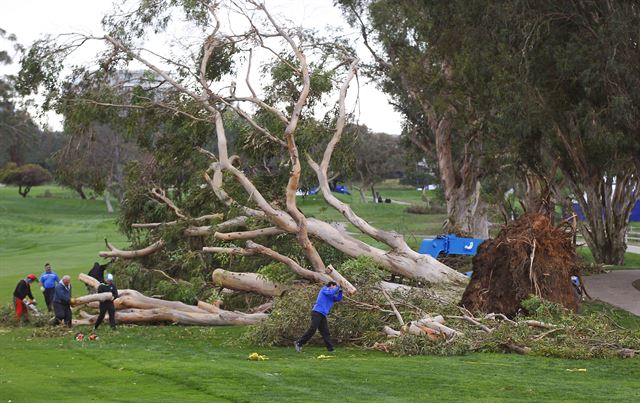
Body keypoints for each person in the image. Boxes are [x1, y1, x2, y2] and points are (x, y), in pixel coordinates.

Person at [294, 281, 343, 353]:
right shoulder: (324, 289)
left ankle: (330, 349)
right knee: (312, 329)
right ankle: (299, 343)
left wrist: (340, 291)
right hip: (317, 312)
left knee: (325, 332)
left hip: (323, 315)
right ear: (331, 285)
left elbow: (338, 299)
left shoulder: (331, 296)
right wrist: (338, 286)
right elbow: (331, 292)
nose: (335, 289)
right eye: (335, 287)